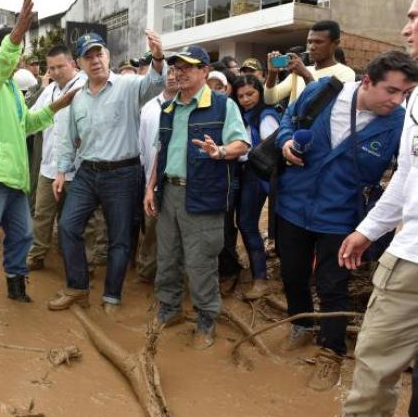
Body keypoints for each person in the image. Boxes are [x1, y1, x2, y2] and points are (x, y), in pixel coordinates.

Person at [275, 50, 416, 391]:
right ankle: (302, 325)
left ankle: (331, 352)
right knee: (293, 273)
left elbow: (405, 176)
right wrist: (285, 143)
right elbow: (288, 120)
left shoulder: (400, 123)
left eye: (406, 94)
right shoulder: (322, 92)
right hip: (292, 205)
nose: (398, 101)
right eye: (392, 91)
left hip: (340, 219)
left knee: (333, 286)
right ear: (367, 81)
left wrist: (374, 224)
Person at [0, 0, 77, 311]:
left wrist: (57, 106)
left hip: (16, 180)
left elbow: (27, 124)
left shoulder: (11, 90)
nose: (18, 58)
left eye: (20, 53)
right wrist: (19, 31)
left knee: (23, 237)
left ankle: (15, 284)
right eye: (13, 51)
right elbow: (3, 62)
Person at [338, 0, 418, 417]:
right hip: (409, 258)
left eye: (415, 18)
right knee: (374, 361)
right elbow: (406, 174)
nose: (406, 29)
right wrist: (369, 230)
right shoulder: (417, 101)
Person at [48, 29, 166, 314]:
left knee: (120, 237)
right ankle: (77, 288)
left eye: (99, 53)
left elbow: (156, 83)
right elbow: (68, 137)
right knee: (67, 226)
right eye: (88, 56)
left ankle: (112, 295)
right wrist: (62, 171)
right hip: (87, 172)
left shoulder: (128, 86)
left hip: (123, 173)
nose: (95, 60)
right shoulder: (77, 98)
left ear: (108, 56)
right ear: (79, 63)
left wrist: (159, 56)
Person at [144, 45, 250, 349]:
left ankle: (206, 318)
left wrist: (220, 152)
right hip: (168, 193)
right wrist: (149, 188)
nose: (180, 73)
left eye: (188, 67)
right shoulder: (168, 107)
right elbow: (160, 151)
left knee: (201, 260)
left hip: (203, 194)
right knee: (168, 256)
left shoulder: (222, 106)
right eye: (176, 68)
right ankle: (170, 308)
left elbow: (241, 144)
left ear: (205, 71)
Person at [26, 44, 85, 271]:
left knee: (72, 219)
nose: (56, 72)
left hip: (77, 169)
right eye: (51, 68)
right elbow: (32, 120)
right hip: (48, 167)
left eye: (61, 66)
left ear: (72, 64)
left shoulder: (84, 87)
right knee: (42, 214)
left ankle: (71, 258)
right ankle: (38, 254)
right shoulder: (48, 92)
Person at [230, 75, 280, 299]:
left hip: (257, 174)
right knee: (244, 222)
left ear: (260, 92)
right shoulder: (244, 114)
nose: (245, 99)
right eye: (240, 96)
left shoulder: (266, 116)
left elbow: (273, 149)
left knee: (247, 223)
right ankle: (256, 273)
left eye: (250, 94)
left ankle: (260, 279)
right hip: (247, 172)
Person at [136, 66, 178, 282]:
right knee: (151, 229)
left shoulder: (187, 106)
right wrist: (147, 183)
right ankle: (146, 270)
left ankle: (172, 278)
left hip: (178, 182)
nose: (171, 77)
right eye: (168, 73)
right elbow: (142, 145)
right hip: (152, 180)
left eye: (175, 72)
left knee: (176, 233)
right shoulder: (149, 108)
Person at [265, 20, 356, 106]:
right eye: (309, 42)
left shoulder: (346, 73)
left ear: (335, 43)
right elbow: (269, 100)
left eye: (318, 42)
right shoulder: (299, 72)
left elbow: (328, 106)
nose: (311, 47)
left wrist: (306, 75)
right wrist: (272, 74)